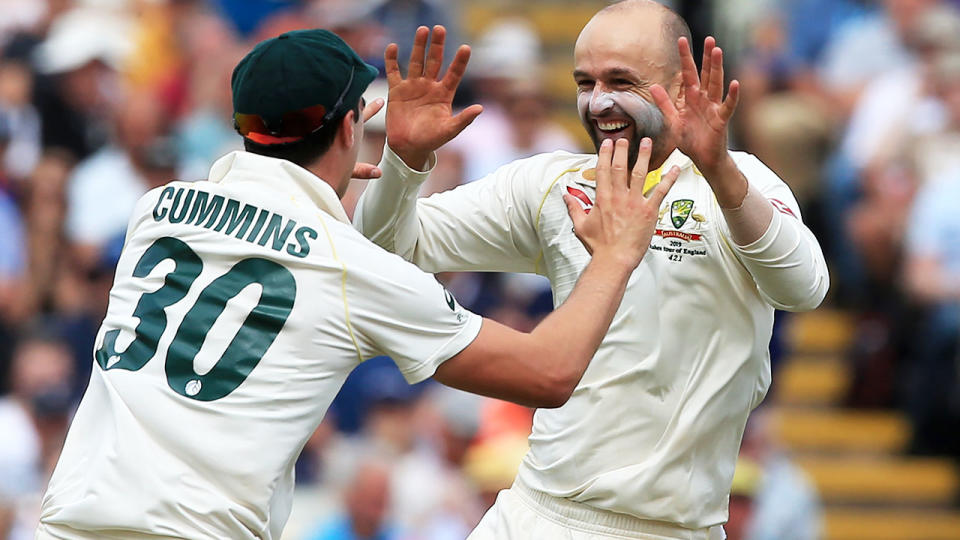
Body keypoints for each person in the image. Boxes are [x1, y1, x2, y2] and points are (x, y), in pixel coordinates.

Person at [35, 28, 677, 540]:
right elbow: (549, 373)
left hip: (65, 526)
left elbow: (307, 260)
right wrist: (614, 254)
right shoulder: (350, 268)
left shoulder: (156, 210)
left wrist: (398, 167)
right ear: (349, 129)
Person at [354, 1, 830, 538]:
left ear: (680, 88)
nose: (600, 101)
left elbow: (804, 287)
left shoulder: (739, 183)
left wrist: (719, 169)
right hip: (539, 513)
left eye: (621, 81)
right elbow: (385, 247)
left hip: (675, 527)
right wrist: (404, 161)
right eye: (585, 82)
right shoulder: (551, 185)